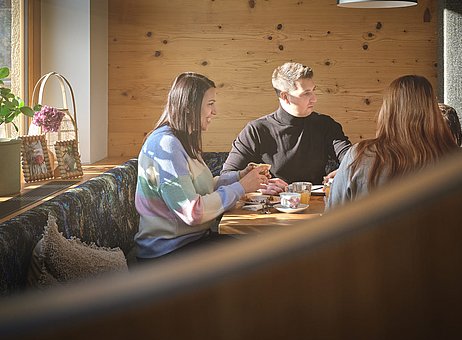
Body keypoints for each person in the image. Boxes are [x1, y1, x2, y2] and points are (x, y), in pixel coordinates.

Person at [134, 72, 269, 261]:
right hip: (167, 254)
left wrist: (239, 176)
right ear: (190, 107)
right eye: (210, 104)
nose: (215, 112)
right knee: (260, 257)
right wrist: (241, 187)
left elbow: (201, 190)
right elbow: (192, 212)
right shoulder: (166, 145)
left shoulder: (182, 140)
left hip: (192, 242)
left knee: (263, 250)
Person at [327, 75, 460, 209]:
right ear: (433, 112)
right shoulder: (458, 161)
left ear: (387, 111)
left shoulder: (359, 156)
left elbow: (332, 219)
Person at [221, 62, 352, 193]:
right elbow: (227, 175)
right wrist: (261, 186)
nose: (314, 99)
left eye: (313, 90)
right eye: (306, 93)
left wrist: (344, 171)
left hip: (317, 205)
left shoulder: (326, 125)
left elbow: (353, 159)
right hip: (271, 206)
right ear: (285, 96)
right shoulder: (256, 130)